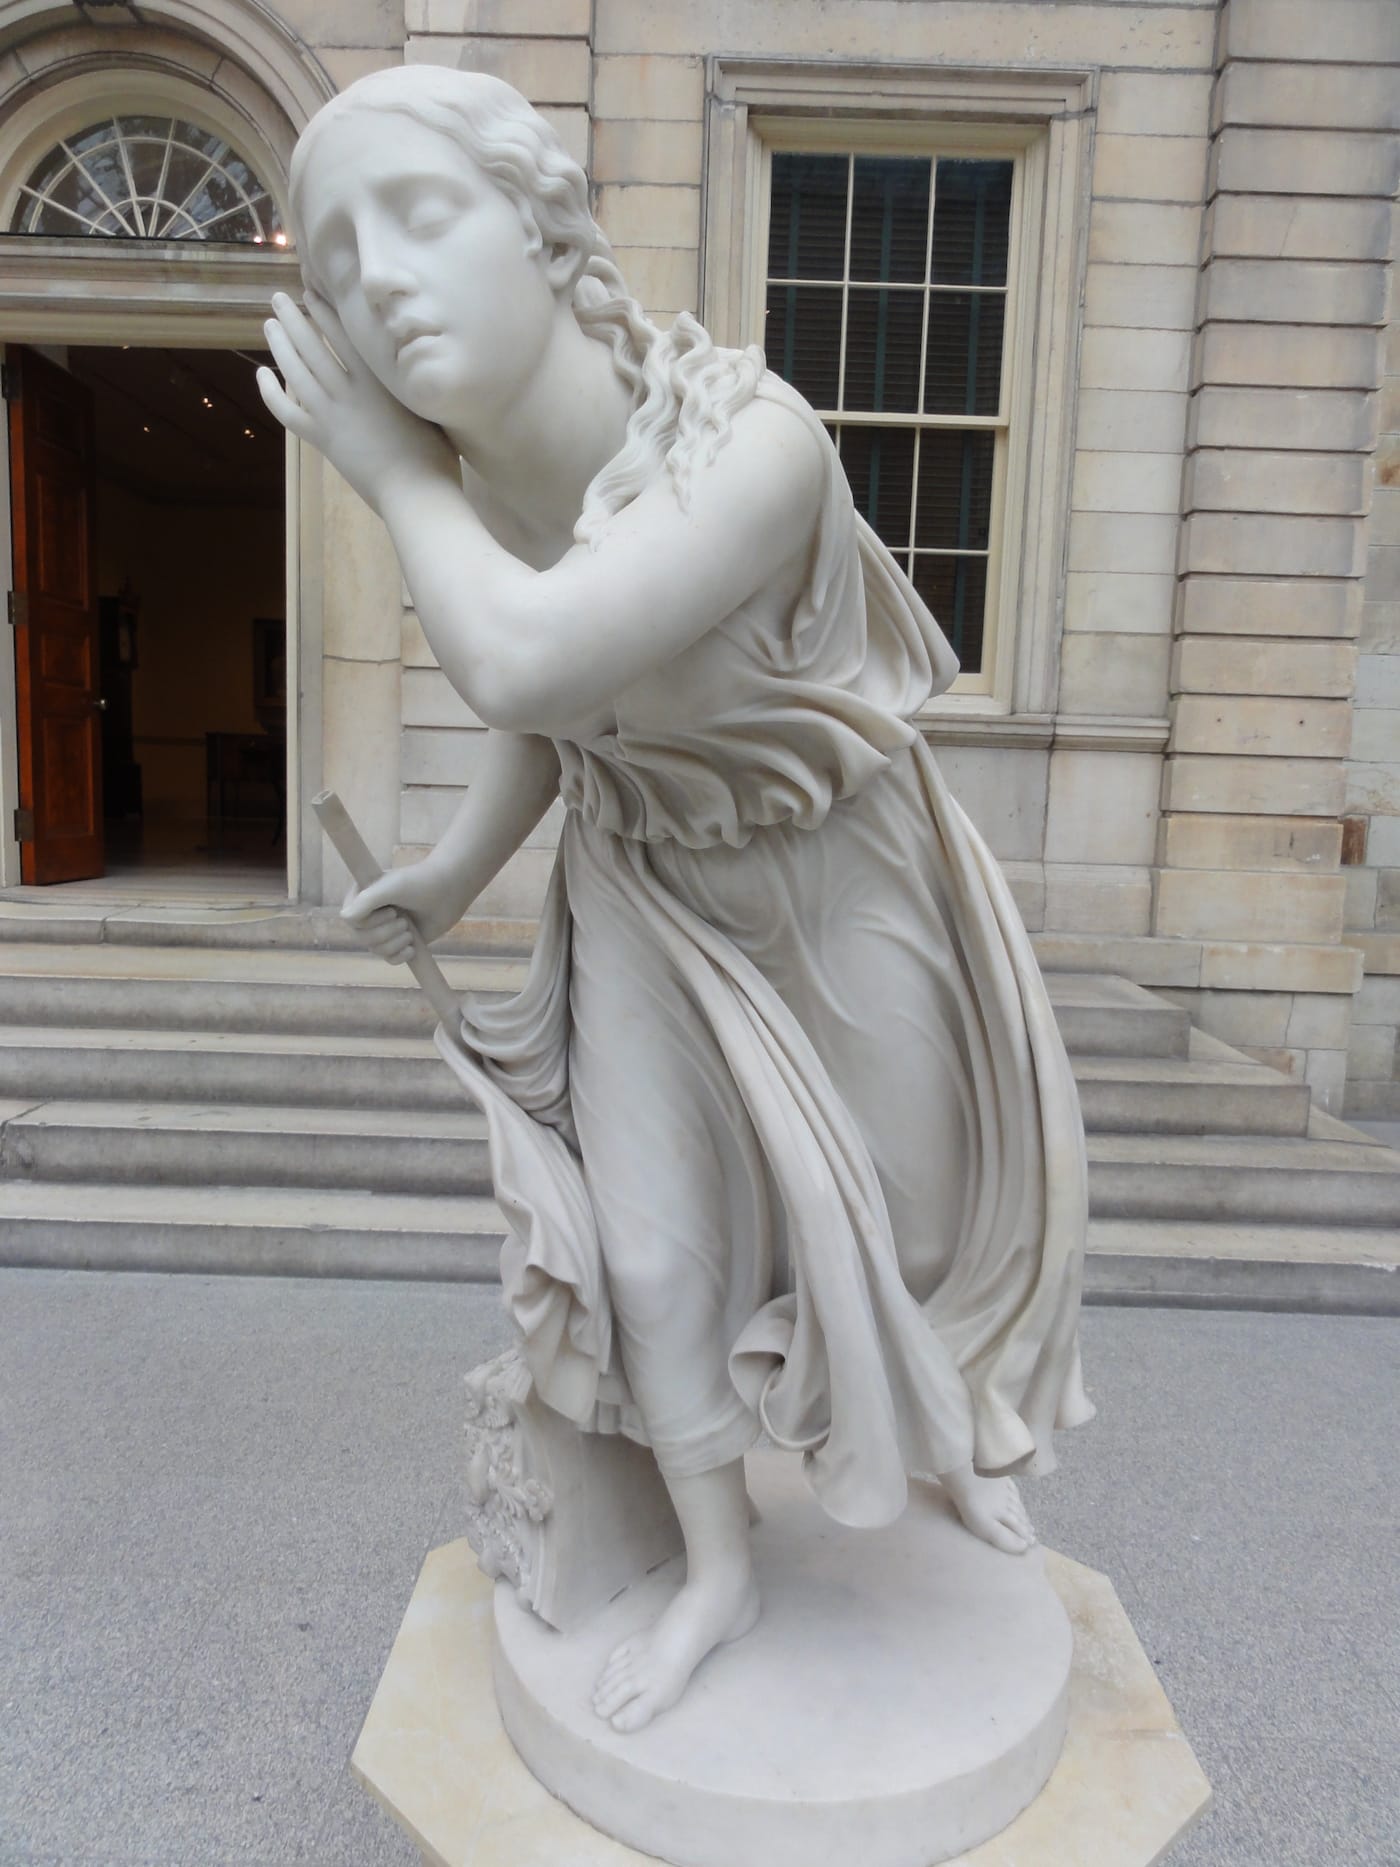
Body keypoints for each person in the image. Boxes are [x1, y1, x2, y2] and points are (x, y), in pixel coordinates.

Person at [260, 64, 1093, 1736]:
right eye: (338, 265)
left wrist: (387, 475)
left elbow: (527, 652)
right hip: (641, 874)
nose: (379, 284)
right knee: (653, 1260)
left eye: (417, 217)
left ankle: (961, 1441)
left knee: (925, 1224)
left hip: (836, 863)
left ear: (548, 226)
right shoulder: (491, 496)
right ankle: (719, 1567)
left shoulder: (754, 442)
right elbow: (560, 718)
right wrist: (453, 869)